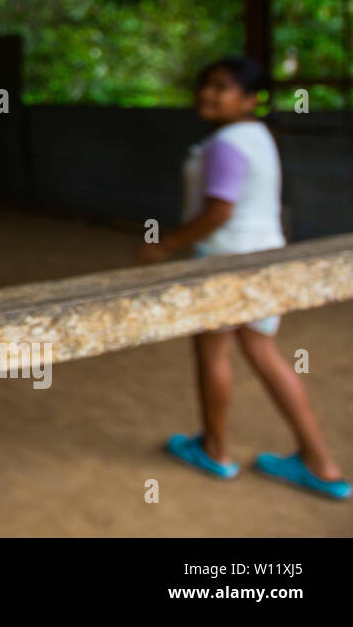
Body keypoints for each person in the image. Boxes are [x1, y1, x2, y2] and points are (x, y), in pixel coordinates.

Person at [136, 56, 348, 500]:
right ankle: (320, 464)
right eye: (204, 85)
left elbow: (219, 211)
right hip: (264, 259)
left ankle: (215, 449)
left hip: (227, 263)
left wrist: (165, 245)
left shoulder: (227, 143)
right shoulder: (258, 137)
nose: (207, 94)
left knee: (213, 350)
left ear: (251, 99)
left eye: (222, 87)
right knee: (263, 351)